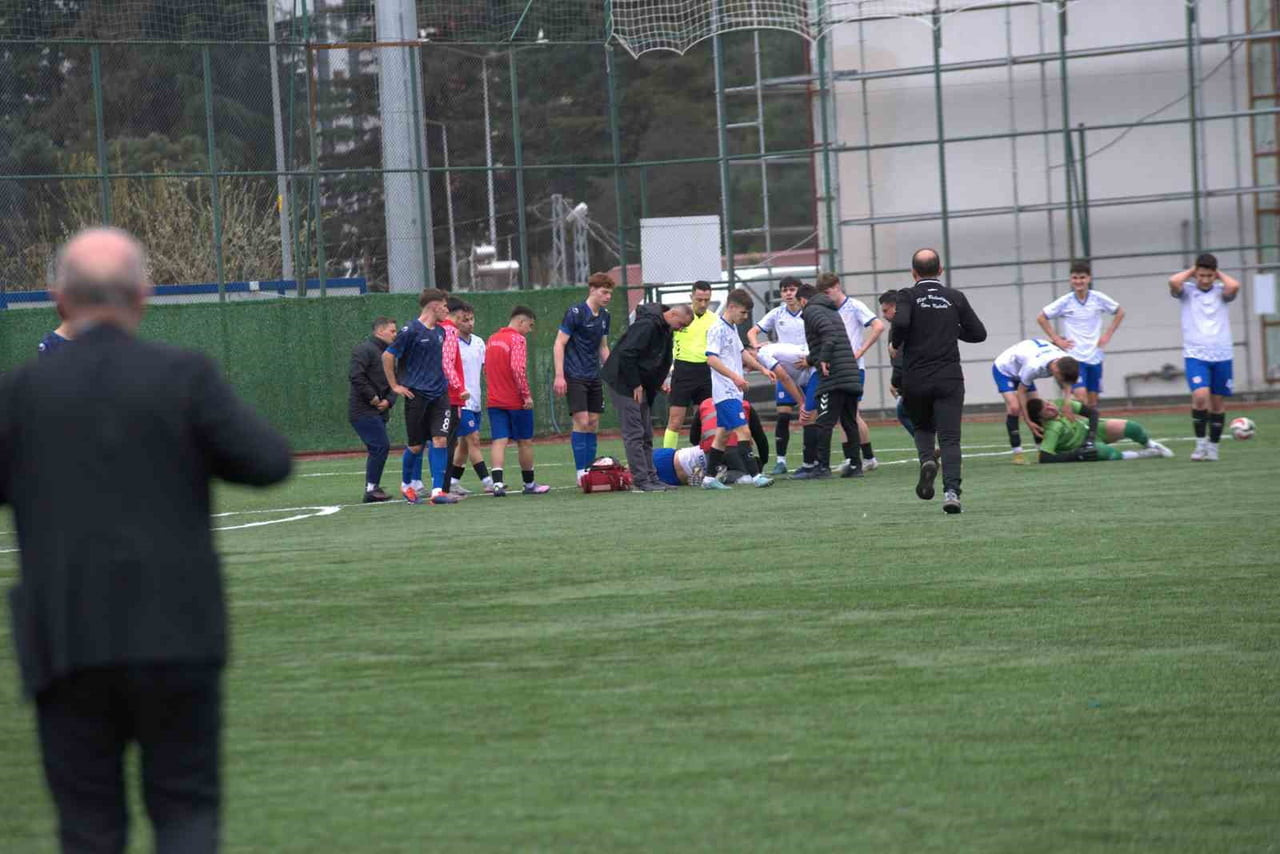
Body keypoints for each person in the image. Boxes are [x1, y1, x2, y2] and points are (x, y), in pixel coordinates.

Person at [0, 227, 292, 854]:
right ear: (143, 297)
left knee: (87, 828)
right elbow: (268, 462)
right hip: (177, 633)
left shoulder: (20, 392)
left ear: (59, 300)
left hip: (65, 637)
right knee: (186, 813)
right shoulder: (183, 376)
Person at [889, 249, 988, 514]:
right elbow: (979, 334)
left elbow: (901, 321)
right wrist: (952, 329)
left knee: (922, 427)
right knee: (950, 438)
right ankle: (952, 492)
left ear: (913, 272)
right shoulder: (955, 297)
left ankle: (926, 462)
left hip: (916, 377)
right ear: (940, 270)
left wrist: (895, 343)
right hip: (949, 377)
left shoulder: (907, 295)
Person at [383, 288, 466, 505]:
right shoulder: (410, 330)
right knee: (416, 446)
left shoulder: (442, 332)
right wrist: (395, 386)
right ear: (434, 305)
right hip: (416, 396)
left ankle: (438, 491)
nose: (447, 311)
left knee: (440, 440)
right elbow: (387, 356)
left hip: (440, 396)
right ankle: (406, 485)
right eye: (445, 306)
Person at [602, 302, 694, 492]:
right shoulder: (647, 325)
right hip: (624, 382)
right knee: (635, 433)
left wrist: (657, 383)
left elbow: (658, 360)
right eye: (682, 324)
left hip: (641, 386)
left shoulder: (665, 329)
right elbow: (627, 353)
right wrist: (635, 383)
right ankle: (641, 480)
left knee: (646, 433)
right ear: (674, 314)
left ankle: (652, 477)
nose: (682, 329)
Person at [1169, 253, 1241, 461]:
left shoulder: (1221, 292)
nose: (1205, 279)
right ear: (1195, 274)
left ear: (1215, 275)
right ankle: (1200, 445)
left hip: (1222, 353)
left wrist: (1218, 274)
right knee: (1200, 397)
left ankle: (1213, 448)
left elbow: (1234, 286)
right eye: (1201, 275)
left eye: (1210, 276)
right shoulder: (1187, 292)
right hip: (1196, 354)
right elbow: (1173, 281)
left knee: (1217, 403)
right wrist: (1192, 270)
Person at [791, 282, 863, 481]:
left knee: (823, 422)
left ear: (803, 300)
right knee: (849, 421)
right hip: (850, 373)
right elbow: (832, 339)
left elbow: (828, 336)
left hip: (834, 376)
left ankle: (822, 467)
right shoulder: (830, 310)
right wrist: (811, 359)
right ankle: (856, 465)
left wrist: (822, 359)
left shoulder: (812, 310)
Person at [704, 288, 775, 489]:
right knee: (744, 431)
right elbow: (711, 359)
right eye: (743, 312)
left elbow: (741, 352)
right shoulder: (717, 328)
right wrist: (735, 377)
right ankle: (755, 475)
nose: (745, 317)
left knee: (723, 435)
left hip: (733, 390)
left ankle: (709, 478)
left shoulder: (731, 327)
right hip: (725, 391)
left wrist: (762, 368)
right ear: (732, 307)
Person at [816, 273, 885, 472]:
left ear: (837, 287)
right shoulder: (827, 310)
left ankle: (864, 457)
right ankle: (858, 457)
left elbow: (878, 326)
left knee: (851, 414)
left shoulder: (854, 305)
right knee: (846, 415)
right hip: (839, 368)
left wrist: (861, 350)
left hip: (853, 368)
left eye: (828, 292)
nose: (826, 297)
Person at [1036, 260, 1125, 407]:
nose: (1079, 281)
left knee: (1092, 401)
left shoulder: (1098, 298)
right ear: (1071, 280)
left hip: (1095, 355)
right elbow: (1041, 317)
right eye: (1075, 278)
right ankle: (1070, 417)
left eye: (1082, 277)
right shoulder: (1066, 301)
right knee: (1080, 395)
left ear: (1089, 279)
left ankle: (1090, 429)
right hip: (1074, 356)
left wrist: (1107, 335)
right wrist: (1057, 339)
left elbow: (1120, 312)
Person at [553, 272, 613, 483]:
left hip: (593, 375)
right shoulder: (575, 312)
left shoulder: (605, 316)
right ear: (592, 290)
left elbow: (603, 347)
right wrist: (560, 376)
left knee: (594, 421)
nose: (607, 297)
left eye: (610, 293)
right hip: (574, 375)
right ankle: (581, 472)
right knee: (582, 420)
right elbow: (559, 343)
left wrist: (615, 371)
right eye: (604, 292)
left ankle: (591, 469)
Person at [485, 305, 551, 496]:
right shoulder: (517, 339)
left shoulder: (492, 339)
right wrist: (526, 395)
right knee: (525, 441)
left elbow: (486, 369)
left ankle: (497, 484)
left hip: (494, 399)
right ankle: (529, 484)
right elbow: (517, 368)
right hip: (515, 400)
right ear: (521, 322)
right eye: (529, 326)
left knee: (499, 440)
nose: (529, 331)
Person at [748, 276, 806, 474]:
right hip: (785, 370)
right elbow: (752, 331)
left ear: (800, 291)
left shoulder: (809, 312)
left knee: (810, 415)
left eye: (792, 289)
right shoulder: (777, 313)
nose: (788, 293)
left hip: (807, 367)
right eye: (784, 290)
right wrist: (756, 345)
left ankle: (811, 459)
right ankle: (781, 461)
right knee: (783, 415)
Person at [991, 338, 1080, 464]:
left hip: (1024, 365)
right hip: (1005, 369)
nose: (1060, 380)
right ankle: (1017, 453)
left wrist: (1067, 404)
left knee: (1037, 408)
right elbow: (1021, 392)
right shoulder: (1034, 366)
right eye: (1059, 377)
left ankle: (1040, 450)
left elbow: (1067, 381)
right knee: (1014, 408)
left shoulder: (1066, 361)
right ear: (1055, 369)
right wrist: (1027, 421)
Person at [444, 299, 494, 496]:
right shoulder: (452, 341)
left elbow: (484, 370)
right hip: (460, 400)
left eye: (472, 319)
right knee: (473, 439)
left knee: (464, 444)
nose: (469, 323)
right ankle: (488, 481)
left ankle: (454, 481)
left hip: (475, 400)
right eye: (465, 320)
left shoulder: (479, 342)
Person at [1026, 398, 1174, 462]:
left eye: (1048, 403)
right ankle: (1143, 454)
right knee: (1106, 452)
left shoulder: (1061, 403)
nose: (1051, 407)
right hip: (1082, 446)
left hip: (1091, 431)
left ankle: (1150, 444)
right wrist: (1075, 455)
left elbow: (1093, 413)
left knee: (1132, 427)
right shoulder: (1052, 430)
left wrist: (1090, 437)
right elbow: (1044, 457)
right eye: (1046, 410)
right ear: (1041, 418)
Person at [348, 316, 398, 502]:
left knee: (378, 447)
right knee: (380, 446)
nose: (395, 334)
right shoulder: (364, 350)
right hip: (362, 411)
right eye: (392, 331)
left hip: (379, 410)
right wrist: (374, 398)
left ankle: (372, 488)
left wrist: (389, 401)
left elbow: (396, 381)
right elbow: (356, 376)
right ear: (379, 331)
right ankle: (371, 490)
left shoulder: (390, 354)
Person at [662, 280, 717, 449]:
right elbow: (665, 347)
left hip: (706, 372)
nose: (703, 303)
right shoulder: (681, 317)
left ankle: (705, 460)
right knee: (675, 420)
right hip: (683, 371)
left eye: (706, 300)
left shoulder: (715, 320)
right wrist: (664, 375)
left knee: (707, 421)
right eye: (699, 299)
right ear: (691, 297)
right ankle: (666, 459)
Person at [694, 397, 772, 486]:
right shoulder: (742, 404)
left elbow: (694, 437)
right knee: (745, 475)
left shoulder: (704, 404)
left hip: (710, 452)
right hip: (734, 450)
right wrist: (763, 462)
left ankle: (709, 473)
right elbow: (760, 438)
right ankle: (723, 475)